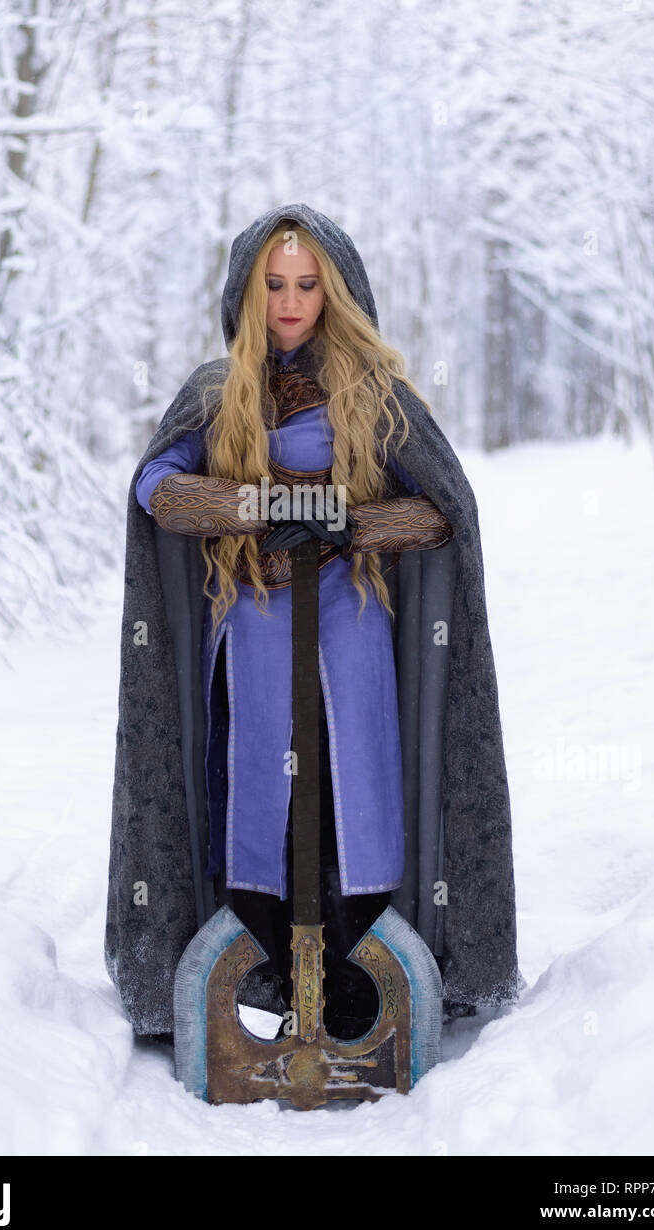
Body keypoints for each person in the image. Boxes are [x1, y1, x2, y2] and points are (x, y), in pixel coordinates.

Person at [104, 202, 522, 1043]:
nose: (290, 301)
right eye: (273, 284)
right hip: (252, 623)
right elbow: (157, 487)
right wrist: (256, 506)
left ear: (335, 292)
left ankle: (357, 970)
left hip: (353, 622)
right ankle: (261, 966)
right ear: (246, 293)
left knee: (356, 784)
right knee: (258, 784)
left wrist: (349, 523)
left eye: (307, 285)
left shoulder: (374, 394)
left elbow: (443, 510)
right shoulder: (218, 393)